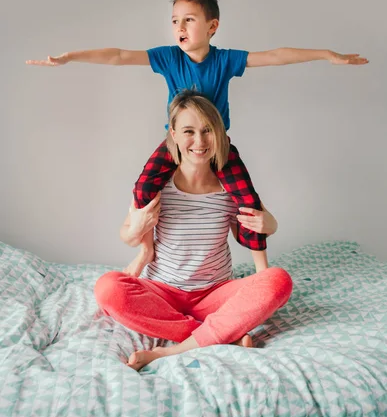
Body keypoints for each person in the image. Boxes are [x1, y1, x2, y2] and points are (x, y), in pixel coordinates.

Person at [26, 0, 369, 278]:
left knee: (247, 199)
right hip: (177, 143)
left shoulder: (225, 60)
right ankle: (145, 253)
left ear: (212, 26)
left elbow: (276, 55)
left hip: (216, 144)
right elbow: (117, 56)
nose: (180, 27)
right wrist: (70, 57)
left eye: (189, 19)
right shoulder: (169, 58)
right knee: (143, 188)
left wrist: (327, 54)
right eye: (175, 21)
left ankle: (263, 271)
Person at [94, 91, 293, 371]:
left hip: (215, 293)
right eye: (189, 131)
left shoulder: (231, 188)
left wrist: (271, 224)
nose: (199, 142)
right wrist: (137, 228)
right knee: (108, 289)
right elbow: (127, 235)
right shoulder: (158, 186)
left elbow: (253, 229)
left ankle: (171, 351)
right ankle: (218, 336)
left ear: (219, 134)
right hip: (162, 293)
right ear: (173, 134)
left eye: (207, 131)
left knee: (279, 280)